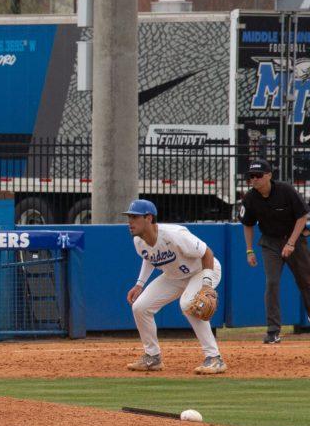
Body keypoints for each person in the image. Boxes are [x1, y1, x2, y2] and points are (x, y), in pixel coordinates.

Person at [122, 199, 226, 375]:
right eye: (129, 217)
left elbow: (207, 253)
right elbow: (149, 257)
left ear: (148, 218)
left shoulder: (174, 234)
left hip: (203, 270)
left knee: (187, 305)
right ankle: (152, 357)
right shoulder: (139, 241)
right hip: (175, 276)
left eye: (134, 217)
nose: (130, 222)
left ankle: (215, 358)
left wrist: (206, 286)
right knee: (141, 307)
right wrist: (139, 285)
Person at [240, 159, 310, 344]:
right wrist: (249, 250)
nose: (254, 179)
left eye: (258, 175)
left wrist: (291, 243)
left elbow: (302, 216)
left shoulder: (285, 190)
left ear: (269, 175)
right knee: (272, 283)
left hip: (294, 239)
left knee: (306, 281)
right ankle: (273, 330)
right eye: (251, 176)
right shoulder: (250, 198)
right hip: (270, 242)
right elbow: (247, 224)